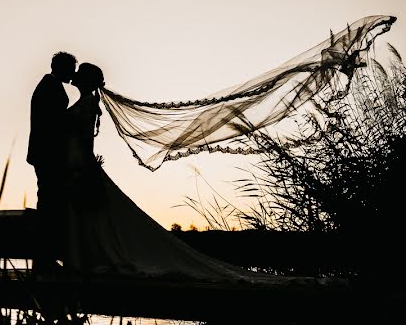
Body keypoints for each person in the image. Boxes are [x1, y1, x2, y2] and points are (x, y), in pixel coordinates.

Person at [63, 62, 315, 284]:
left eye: (79, 75)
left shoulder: (86, 104)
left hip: (81, 166)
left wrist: (82, 167)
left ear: (86, 80)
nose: (74, 77)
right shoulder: (89, 103)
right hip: (81, 164)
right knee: (95, 217)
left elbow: (84, 141)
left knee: (94, 215)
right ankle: (88, 259)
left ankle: (89, 260)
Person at [27, 51, 76, 274]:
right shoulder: (50, 87)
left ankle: (46, 256)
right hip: (49, 153)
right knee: (49, 202)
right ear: (62, 67)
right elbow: (53, 123)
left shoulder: (49, 85)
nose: (74, 73)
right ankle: (44, 258)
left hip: (46, 153)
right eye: (71, 68)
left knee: (50, 201)